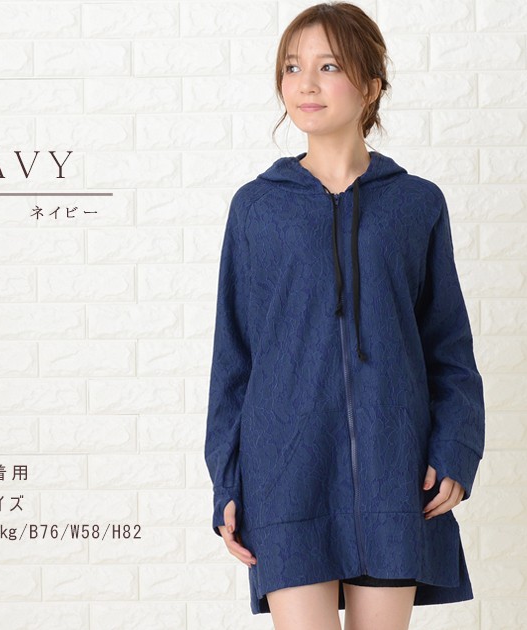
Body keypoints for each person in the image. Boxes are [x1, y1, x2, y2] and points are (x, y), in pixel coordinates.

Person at [203, 2, 486, 630]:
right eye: (292, 67)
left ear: (371, 85)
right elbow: (233, 358)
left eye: (328, 66)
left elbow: (448, 348)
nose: (305, 83)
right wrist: (227, 481)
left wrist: (456, 448)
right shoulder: (257, 209)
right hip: (286, 472)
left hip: (395, 470)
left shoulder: (416, 204)